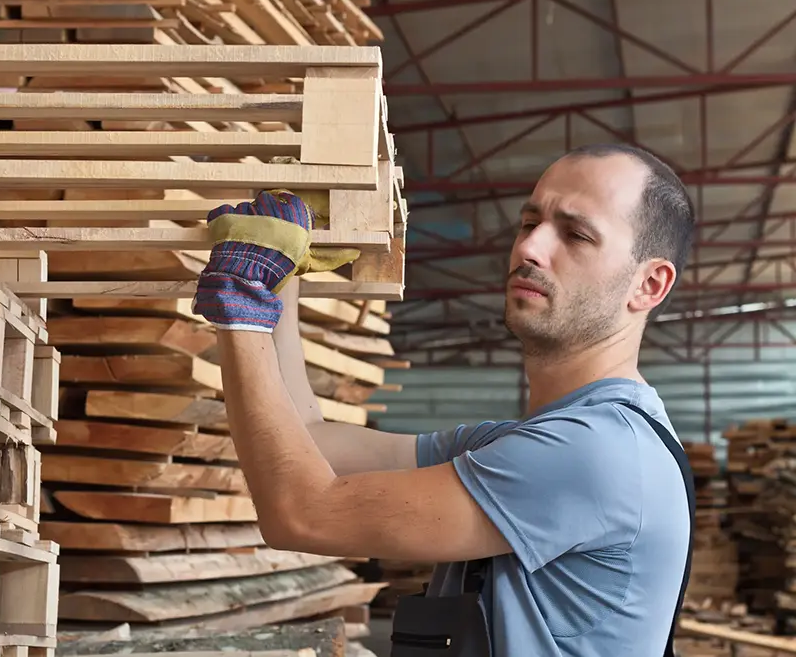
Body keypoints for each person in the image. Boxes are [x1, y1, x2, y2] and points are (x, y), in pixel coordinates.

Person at [191, 143, 696, 657]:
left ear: (648, 284)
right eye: (528, 223)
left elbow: (299, 514)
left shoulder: (597, 453)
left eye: (576, 234)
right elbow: (312, 438)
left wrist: (241, 308)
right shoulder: (526, 443)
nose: (530, 249)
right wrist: (282, 272)